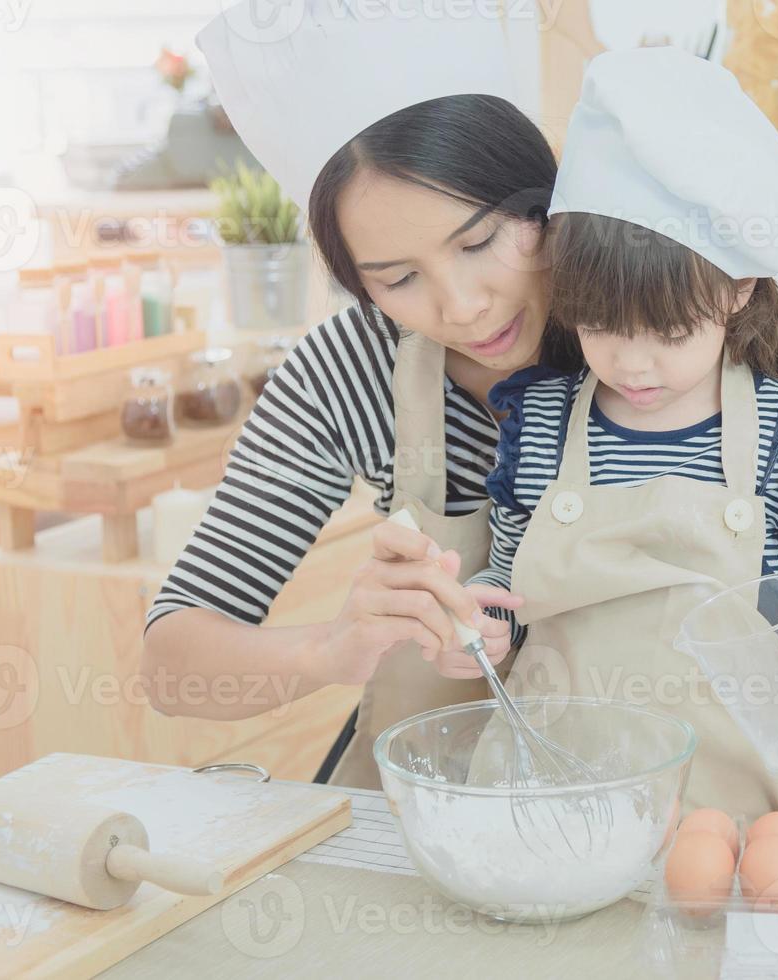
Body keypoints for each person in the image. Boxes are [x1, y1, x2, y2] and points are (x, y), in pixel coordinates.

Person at [142, 1, 580, 787]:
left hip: (664, 804)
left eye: (480, 241)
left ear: (539, 199)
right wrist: (328, 648)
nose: (463, 306)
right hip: (433, 816)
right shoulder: (348, 371)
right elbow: (171, 665)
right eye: (399, 279)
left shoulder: (657, 317)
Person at [465, 47, 778, 817]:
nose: (631, 363)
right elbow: (505, 591)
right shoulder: (537, 423)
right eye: (600, 325)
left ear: (739, 288)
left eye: (668, 331)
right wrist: (476, 620)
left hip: (728, 811)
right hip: (546, 799)